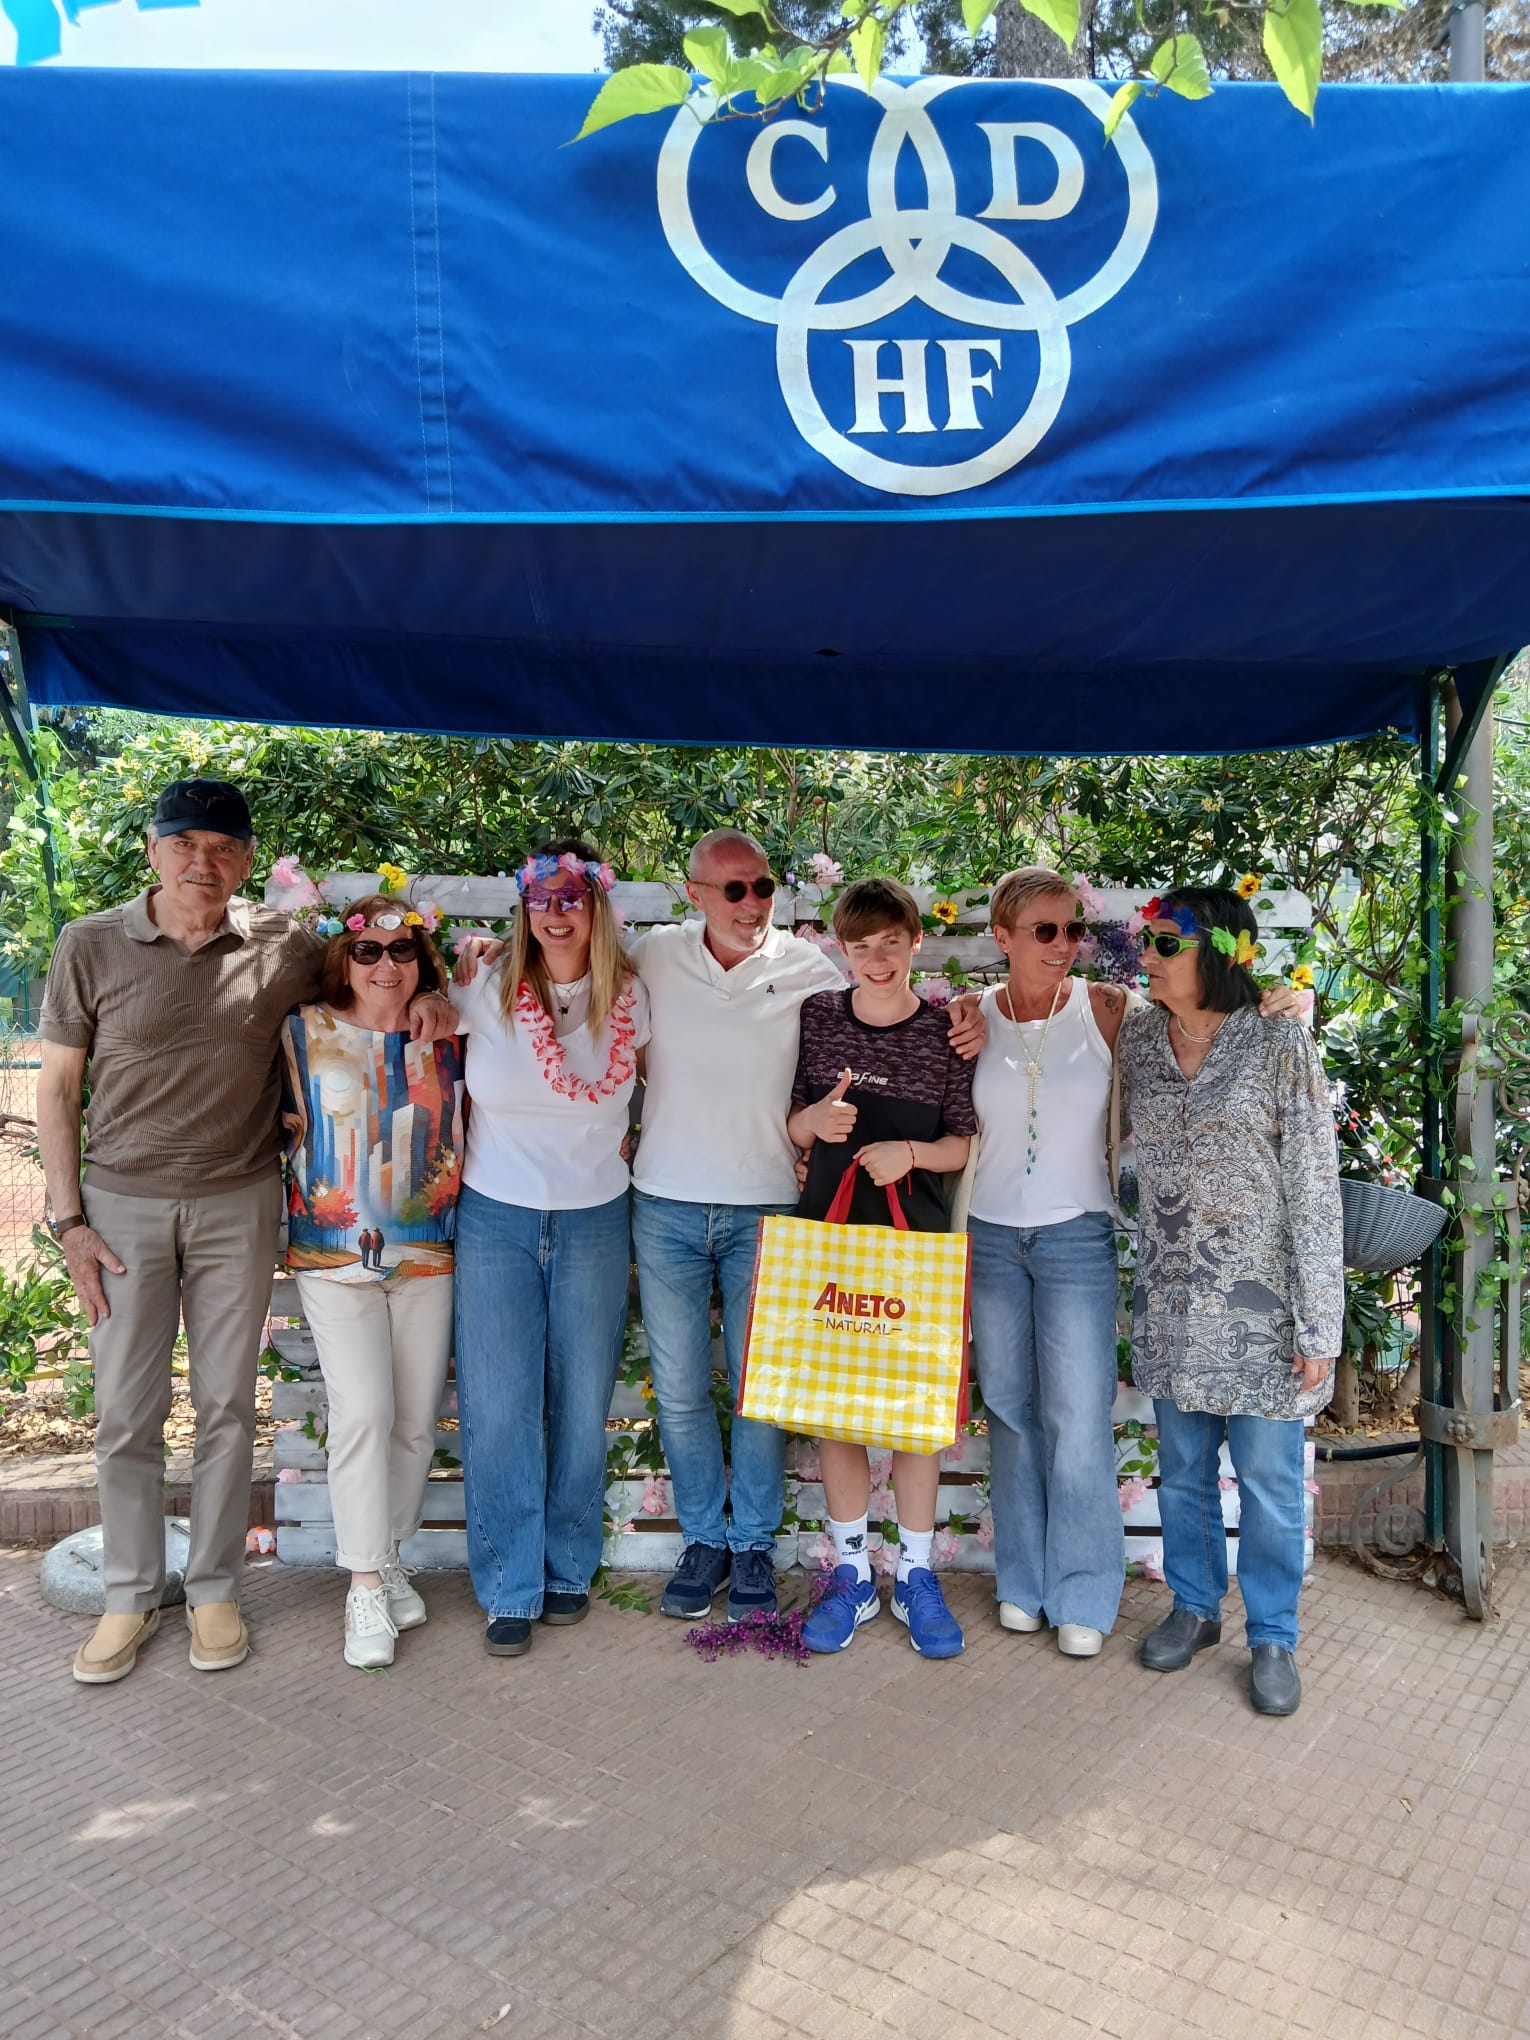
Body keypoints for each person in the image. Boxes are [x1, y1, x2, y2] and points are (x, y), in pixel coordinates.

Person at [35, 778, 455, 1686]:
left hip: (239, 1201)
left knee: (226, 1408)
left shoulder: (282, 945)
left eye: (224, 847)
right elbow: (59, 1091)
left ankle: (216, 1589)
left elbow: (367, 992)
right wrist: (69, 1221)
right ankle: (128, 1596)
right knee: (127, 1412)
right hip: (122, 1206)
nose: (204, 861)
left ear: (247, 860)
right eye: (185, 843)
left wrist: (436, 1004)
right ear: (153, 850)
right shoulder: (90, 943)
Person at [629, 831, 985, 1624]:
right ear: (695, 894)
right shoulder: (653, 956)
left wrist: (968, 1011)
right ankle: (706, 1542)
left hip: (775, 1209)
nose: (750, 902)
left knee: (764, 1390)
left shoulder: (810, 974)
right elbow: (570, 967)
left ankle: (756, 1546)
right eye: (732, 890)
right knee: (681, 1390)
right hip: (666, 1202)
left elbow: (903, 1017)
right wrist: (483, 954)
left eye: (761, 887)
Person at [1120, 885, 1343, 1717]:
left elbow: (1314, 1185)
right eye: (1145, 940)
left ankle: (1274, 1635)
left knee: (1269, 1484)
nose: (1147, 955)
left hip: (1264, 1310)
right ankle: (1194, 1607)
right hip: (1173, 1304)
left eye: (1165, 943)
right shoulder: (1139, 1036)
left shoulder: (1280, 1041)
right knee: (1182, 1473)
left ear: (1217, 951)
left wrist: (1320, 1320)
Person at [450, 839, 650, 1658]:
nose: (556, 913)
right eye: (542, 899)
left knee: (580, 1400)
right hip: (494, 1218)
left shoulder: (634, 996)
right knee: (499, 1406)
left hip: (595, 1217)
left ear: (597, 905)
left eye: (572, 898)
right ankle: (509, 1583)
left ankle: (569, 1564)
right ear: (523, 907)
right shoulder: (481, 986)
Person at [788, 877, 977, 1659]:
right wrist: (812, 1121)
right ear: (841, 949)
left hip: (915, 1243)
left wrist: (911, 1154)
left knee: (914, 1413)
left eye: (890, 943)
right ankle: (853, 1575)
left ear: (915, 941)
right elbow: (794, 1125)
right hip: (829, 1238)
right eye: (860, 946)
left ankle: (917, 1575)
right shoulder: (817, 1017)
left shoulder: (945, 1032)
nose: (876, 959)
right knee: (837, 1410)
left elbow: (962, 1142)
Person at [281, 898, 464, 1669]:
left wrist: (446, 997)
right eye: (368, 951)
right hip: (333, 1258)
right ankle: (362, 1585)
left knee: (415, 1422)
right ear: (343, 959)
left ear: (422, 959)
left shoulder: (451, 1034)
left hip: (427, 1254)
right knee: (363, 1413)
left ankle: (388, 1559)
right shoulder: (301, 1030)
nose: (386, 964)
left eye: (402, 949)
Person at [967, 868, 1130, 1660]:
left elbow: (1199, 1029)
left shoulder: (1106, 1009)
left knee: (1077, 1414)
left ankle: (1085, 1590)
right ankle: (1023, 1582)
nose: (1063, 944)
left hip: (1076, 1235)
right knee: (1008, 1408)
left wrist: (1273, 1003)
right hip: (990, 1236)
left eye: (1073, 929)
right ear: (1002, 936)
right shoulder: (970, 1019)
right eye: (1044, 930)